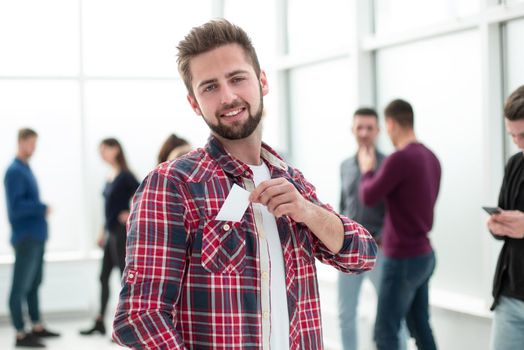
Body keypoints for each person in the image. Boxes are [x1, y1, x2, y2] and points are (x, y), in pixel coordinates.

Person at [112, 19, 377, 349]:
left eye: (237, 78)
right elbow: (139, 317)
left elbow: (362, 255)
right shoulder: (173, 185)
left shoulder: (292, 182)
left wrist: (308, 212)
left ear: (262, 81)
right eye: (209, 87)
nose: (228, 96)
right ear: (194, 103)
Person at [358, 99, 441, 350]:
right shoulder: (431, 158)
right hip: (424, 255)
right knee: (420, 325)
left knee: (385, 331)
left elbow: (369, 196)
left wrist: (367, 170)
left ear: (391, 123)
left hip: (403, 257)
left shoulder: (399, 159)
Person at [338, 108, 407, 350]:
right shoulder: (345, 165)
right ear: (353, 130)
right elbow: (343, 207)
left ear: (378, 131)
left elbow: (397, 210)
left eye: (370, 128)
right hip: (348, 251)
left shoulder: (389, 164)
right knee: (346, 315)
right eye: (360, 128)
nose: (365, 133)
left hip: (380, 251)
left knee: (391, 314)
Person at [4, 128, 60, 348]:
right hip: (26, 237)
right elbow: (16, 208)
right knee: (20, 286)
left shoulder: (26, 169)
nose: (34, 148)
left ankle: (36, 325)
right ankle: (20, 332)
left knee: (35, 283)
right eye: (32, 144)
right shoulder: (15, 171)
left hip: (36, 236)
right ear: (21, 142)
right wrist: (42, 207)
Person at [80, 138, 139, 337]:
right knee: (103, 276)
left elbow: (143, 195)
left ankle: (127, 324)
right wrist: (101, 233)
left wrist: (130, 213)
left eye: (105, 149)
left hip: (121, 234)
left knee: (124, 277)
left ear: (116, 150)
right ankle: (99, 321)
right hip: (110, 233)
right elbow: (107, 209)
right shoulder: (110, 175)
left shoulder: (126, 176)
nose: (102, 154)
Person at [487, 84, 524, 350]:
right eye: (512, 135)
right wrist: (496, 225)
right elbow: (503, 212)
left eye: (523, 135)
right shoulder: (514, 164)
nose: (519, 143)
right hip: (510, 295)